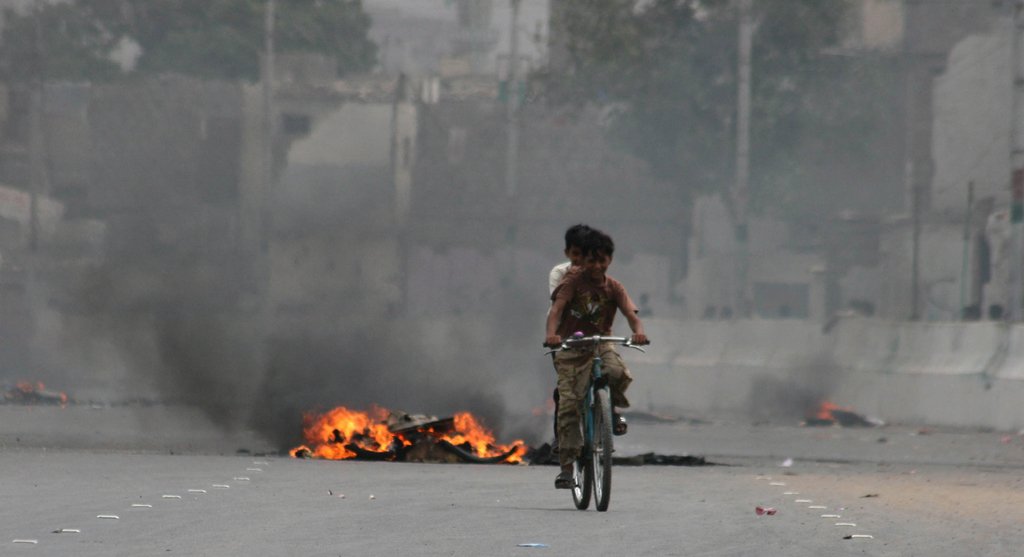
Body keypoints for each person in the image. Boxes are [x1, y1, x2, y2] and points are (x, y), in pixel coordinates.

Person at [545, 230, 648, 489]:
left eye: (602, 260)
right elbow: (556, 311)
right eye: (591, 260)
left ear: (610, 260)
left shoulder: (614, 287)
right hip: (572, 346)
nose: (597, 266)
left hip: (602, 343)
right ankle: (566, 468)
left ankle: (609, 411)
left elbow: (631, 314)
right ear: (582, 260)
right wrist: (552, 335)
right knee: (569, 405)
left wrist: (638, 332)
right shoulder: (571, 282)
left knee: (616, 372)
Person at [546, 224, 593, 452]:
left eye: (586, 255)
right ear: (568, 252)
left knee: (608, 371)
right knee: (565, 387)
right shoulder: (559, 273)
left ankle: (609, 414)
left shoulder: (599, 272)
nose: (580, 261)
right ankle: (561, 435)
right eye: (576, 255)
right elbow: (559, 306)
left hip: (592, 333)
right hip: (562, 333)